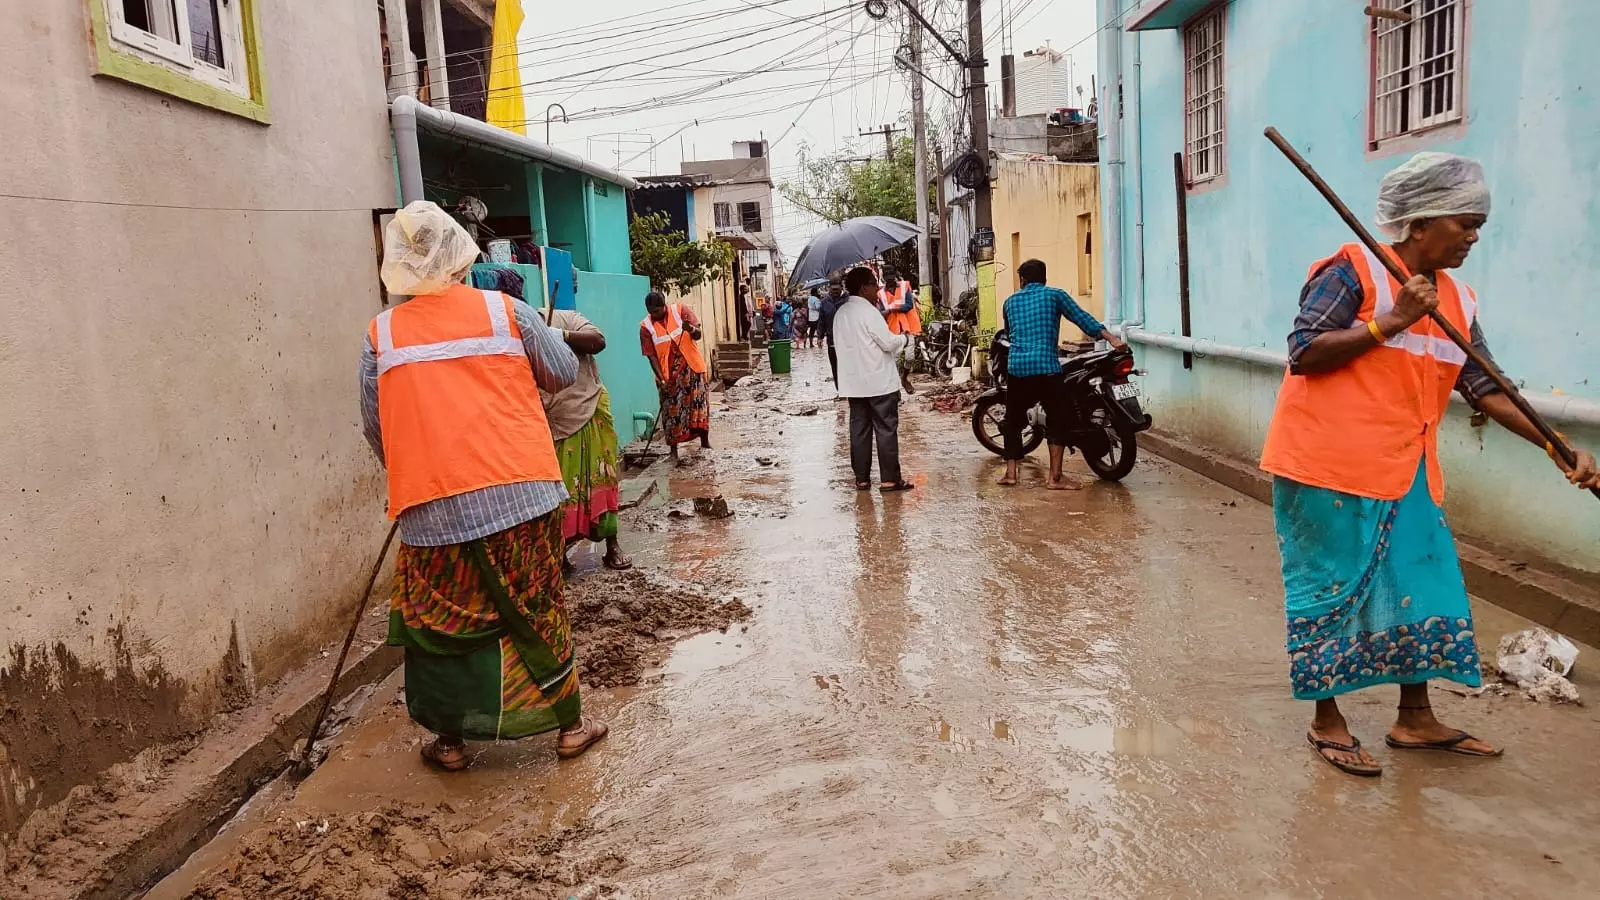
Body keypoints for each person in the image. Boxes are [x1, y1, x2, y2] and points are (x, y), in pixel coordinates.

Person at [1260, 152, 1599, 777]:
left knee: (1422, 586)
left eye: (1478, 226)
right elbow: (1304, 352)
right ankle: (1326, 721)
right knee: (1328, 590)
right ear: (1419, 224)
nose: (1473, 238)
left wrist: (1557, 448)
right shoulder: (1352, 271)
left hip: (1406, 469)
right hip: (1325, 465)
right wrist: (1391, 320)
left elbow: (1487, 386)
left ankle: (1414, 718)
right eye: (1464, 224)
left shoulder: (1459, 300)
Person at [361, 201, 608, 771]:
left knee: (440, 620)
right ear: (459, 254)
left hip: (431, 509)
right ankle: (569, 726)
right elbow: (562, 373)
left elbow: (378, 427)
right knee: (535, 606)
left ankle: (450, 743)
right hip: (521, 493)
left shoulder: (381, 335)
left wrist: (409, 474)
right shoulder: (507, 312)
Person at [997, 258, 1124, 490]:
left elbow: (1008, 332)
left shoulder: (1010, 302)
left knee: (1012, 421)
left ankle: (1011, 474)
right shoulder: (1055, 295)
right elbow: (1081, 318)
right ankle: (1055, 478)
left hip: (1017, 368)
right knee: (1058, 419)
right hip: (1046, 367)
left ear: (1022, 280)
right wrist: (1112, 339)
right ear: (1044, 278)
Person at [544, 308, 632, 572]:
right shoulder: (516, 337)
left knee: (602, 477)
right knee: (560, 489)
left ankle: (612, 545)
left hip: (591, 406)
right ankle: (560, 554)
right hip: (555, 418)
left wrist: (559, 335)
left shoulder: (566, 318)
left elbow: (598, 341)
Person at [834, 266, 914, 492]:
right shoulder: (869, 312)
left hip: (854, 384)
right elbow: (888, 343)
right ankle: (889, 479)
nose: (878, 288)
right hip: (879, 382)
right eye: (873, 284)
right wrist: (905, 340)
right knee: (886, 429)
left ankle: (862, 479)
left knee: (859, 432)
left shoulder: (841, 313)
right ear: (863, 288)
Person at [640, 291, 711, 463]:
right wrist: (662, 379)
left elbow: (698, 334)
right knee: (671, 412)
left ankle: (705, 442)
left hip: (692, 367)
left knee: (698, 406)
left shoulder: (681, 311)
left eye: (658, 310)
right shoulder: (645, 327)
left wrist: (691, 329)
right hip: (668, 375)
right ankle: (673, 451)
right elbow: (651, 355)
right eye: (652, 312)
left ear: (664, 305)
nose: (655, 315)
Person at [819, 281, 845, 389]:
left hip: (847, 338)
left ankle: (850, 388)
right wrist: (820, 336)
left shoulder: (847, 300)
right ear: (829, 289)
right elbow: (821, 320)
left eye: (837, 289)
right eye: (833, 289)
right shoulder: (825, 302)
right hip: (832, 338)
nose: (835, 291)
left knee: (847, 364)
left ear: (841, 288)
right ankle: (840, 389)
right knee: (835, 365)